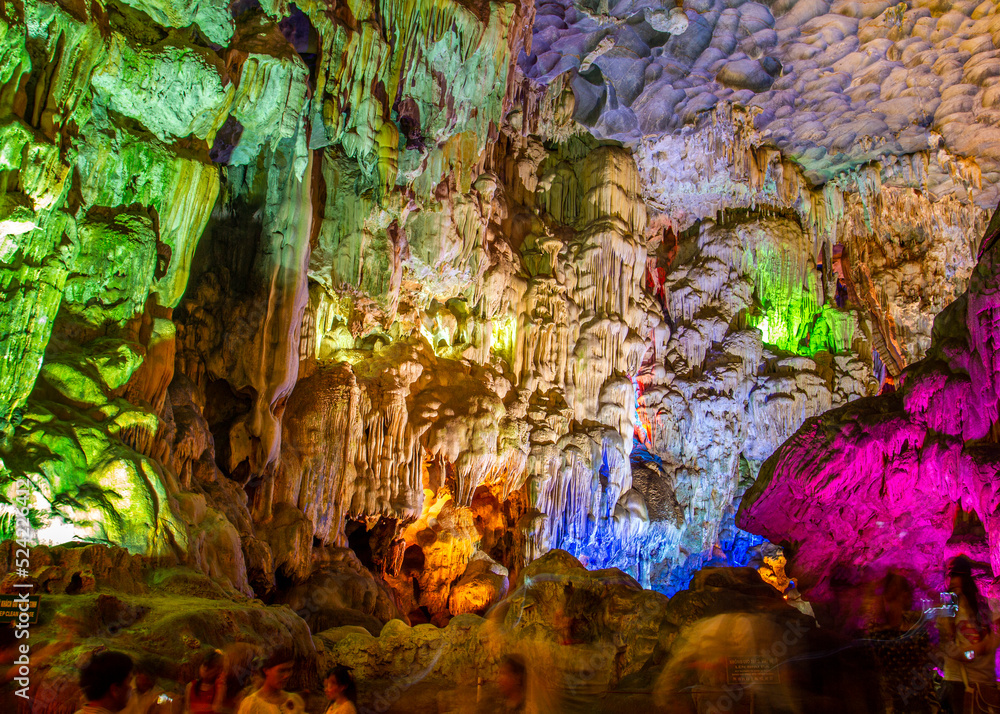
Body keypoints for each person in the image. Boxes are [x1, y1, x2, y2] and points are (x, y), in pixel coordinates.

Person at [938, 556, 999, 714]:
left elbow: (947, 643)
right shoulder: (976, 601)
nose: (950, 579)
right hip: (966, 679)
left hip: (969, 680)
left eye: (952, 574)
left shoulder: (972, 601)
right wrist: (975, 651)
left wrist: (973, 652)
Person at [235, 649, 304, 714]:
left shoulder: (295, 700)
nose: (286, 675)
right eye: (282, 671)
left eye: (289, 670)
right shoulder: (251, 704)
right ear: (266, 670)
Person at [185, 649, 224, 714]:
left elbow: (217, 709)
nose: (205, 669)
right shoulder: (191, 685)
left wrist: (220, 689)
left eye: (210, 667)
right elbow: (187, 710)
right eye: (204, 665)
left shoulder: (219, 687)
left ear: (219, 670)